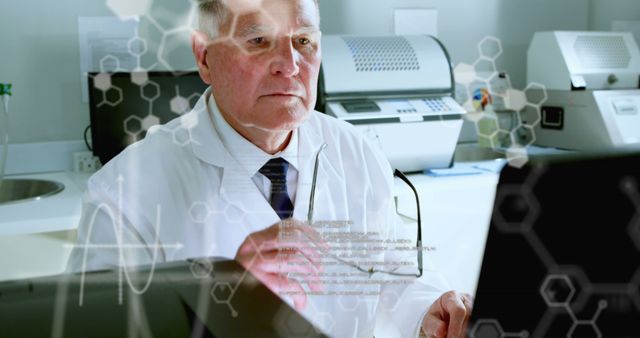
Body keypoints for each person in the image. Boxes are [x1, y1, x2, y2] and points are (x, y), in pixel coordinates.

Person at [67, 0, 473, 336]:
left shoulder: (356, 152)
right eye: (258, 40)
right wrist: (217, 299)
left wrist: (429, 312)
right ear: (204, 56)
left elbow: (394, 273)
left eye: (303, 41)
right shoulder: (123, 192)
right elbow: (98, 329)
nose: (290, 64)